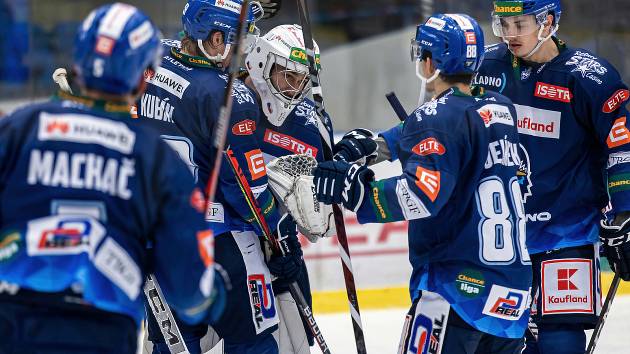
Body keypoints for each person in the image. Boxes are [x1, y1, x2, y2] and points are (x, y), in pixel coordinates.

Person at [0, 3, 219, 353]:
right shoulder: (156, 158)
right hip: (102, 330)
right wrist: (215, 291)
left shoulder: (20, 127)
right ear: (144, 72)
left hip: (13, 321)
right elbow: (190, 292)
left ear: (80, 59)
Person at [313, 14, 532, 353]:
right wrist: (376, 144)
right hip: (510, 300)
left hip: (456, 291)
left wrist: (356, 191)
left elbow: (420, 195)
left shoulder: (435, 118)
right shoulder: (500, 108)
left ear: (431, 61)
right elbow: (449, 132)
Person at [135, 1, 301, 353]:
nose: (241, 53)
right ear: (213, 39)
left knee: (173, 346)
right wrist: (280, 237)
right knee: (253, 342)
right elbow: (247, 188)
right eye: (236, 41)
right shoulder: (227, 97)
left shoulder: (149, 59)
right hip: (220, 244)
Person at [474, 1, 630, 353]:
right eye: (504, 24)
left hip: (567, 232)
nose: (510, 34)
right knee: (501, 340)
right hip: (502, 236)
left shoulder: (589, 77)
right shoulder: (486, 66)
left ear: (547, 21)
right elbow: (450, 118)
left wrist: (625, 211)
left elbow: (622, 144)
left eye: (519, 24)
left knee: (561, 337)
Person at [244, 23, 332, 353]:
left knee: (296, 346)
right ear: (263, 62)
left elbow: (318, 208)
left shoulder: (312, 125)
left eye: (303, 80)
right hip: (225, 252)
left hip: (284, 257)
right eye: (287, 76)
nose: (295, 88)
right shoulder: (228, 105)